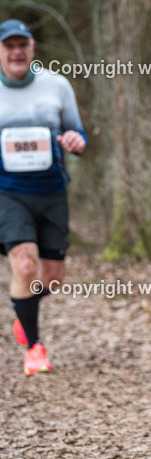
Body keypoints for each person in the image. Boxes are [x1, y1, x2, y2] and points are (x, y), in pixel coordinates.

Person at [0, 19, 87, 374]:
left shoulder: (56, 85)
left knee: (50, 278)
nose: (17, 52)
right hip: (8, 191)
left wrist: (76, 141)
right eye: (9, 46)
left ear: (33, 48)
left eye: (23, 45)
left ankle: (23, 309)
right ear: (1, 51)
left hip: (51, 191)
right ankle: (34, 347)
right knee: (24, 264)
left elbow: (76, 130)